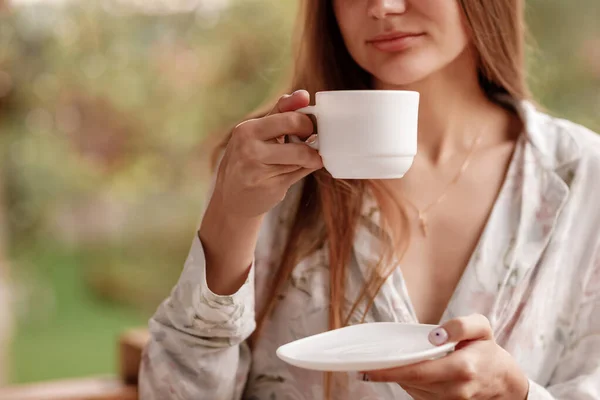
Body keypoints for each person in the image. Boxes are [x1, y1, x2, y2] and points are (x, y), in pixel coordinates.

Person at [139, 0, 600, 399]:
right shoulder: (265, 168)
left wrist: (516, 396)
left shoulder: (582, 178)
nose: (381, 7)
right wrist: (231, 216)